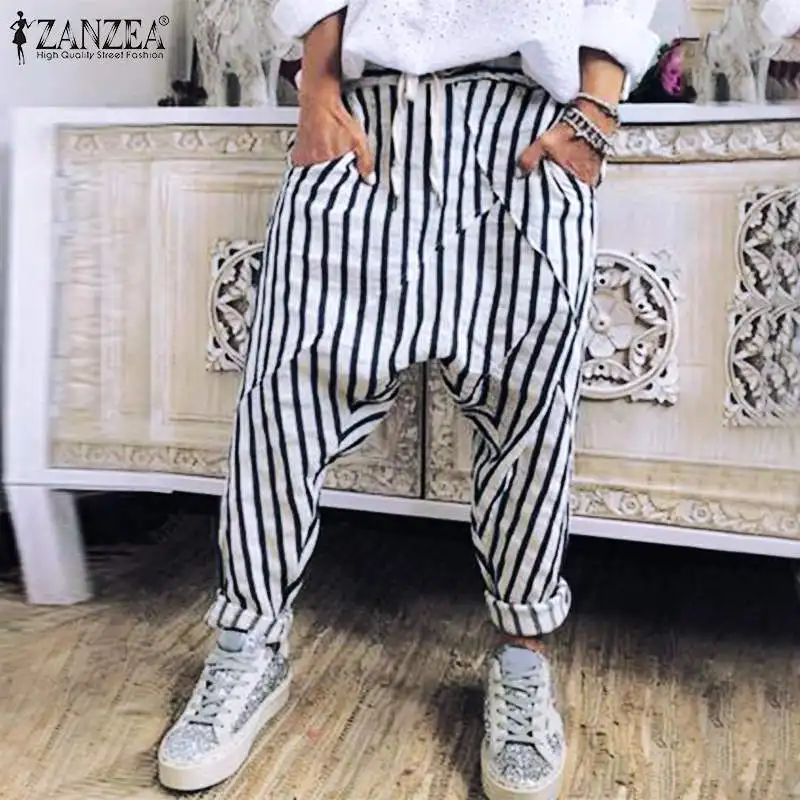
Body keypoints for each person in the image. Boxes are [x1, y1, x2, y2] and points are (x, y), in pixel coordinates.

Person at [157, 2, 659, 798]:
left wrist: (595, 110)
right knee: (282, 401)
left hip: (524, 135)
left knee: (531, 416)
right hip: (366, 127)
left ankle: (522, 657)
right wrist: (316, 89)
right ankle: (248, 645)